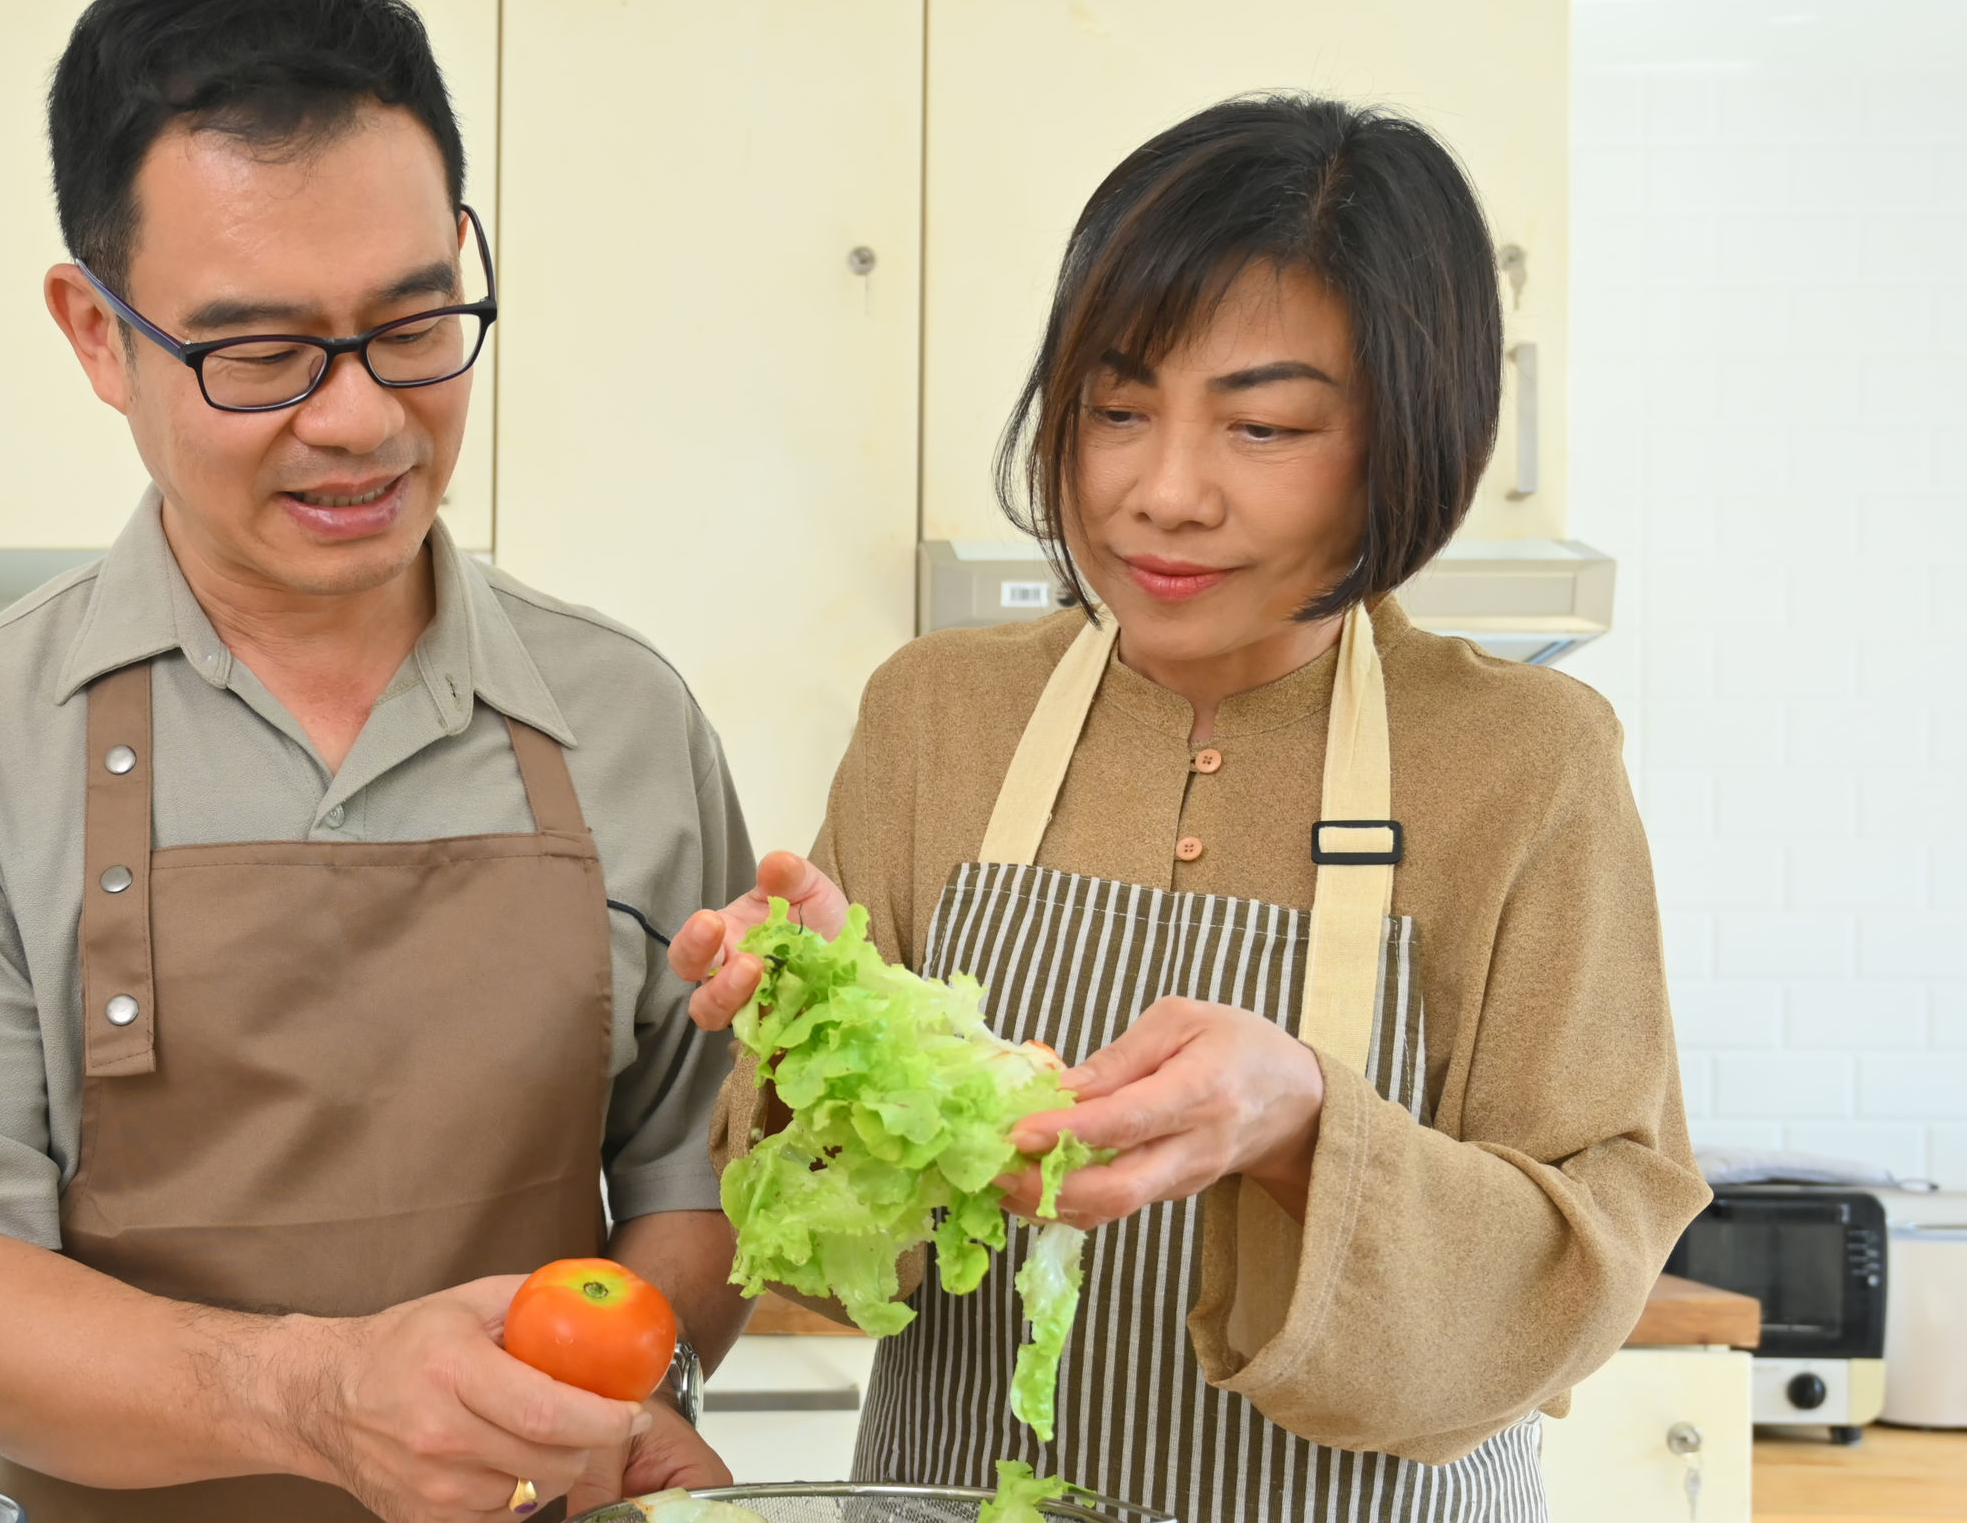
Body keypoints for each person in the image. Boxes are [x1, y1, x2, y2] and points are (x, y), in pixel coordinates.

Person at [0, 0, 751, 1523]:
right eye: (261, 353)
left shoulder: (626, 716)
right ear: (98, 335)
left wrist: (607, 1389)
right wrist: (317, 1397)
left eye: (416, 324)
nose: (360, 417)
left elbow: (693, 1186)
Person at [671, 95, 1708, 1519]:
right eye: (1114, 409)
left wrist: (1300, 1129)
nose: (1161, 492)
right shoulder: (935, 716)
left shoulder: (1529, 761)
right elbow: (824, 1266)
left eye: (1265, 424)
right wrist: (826, 1030)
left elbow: (1580, 1268)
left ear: (1412, 434)